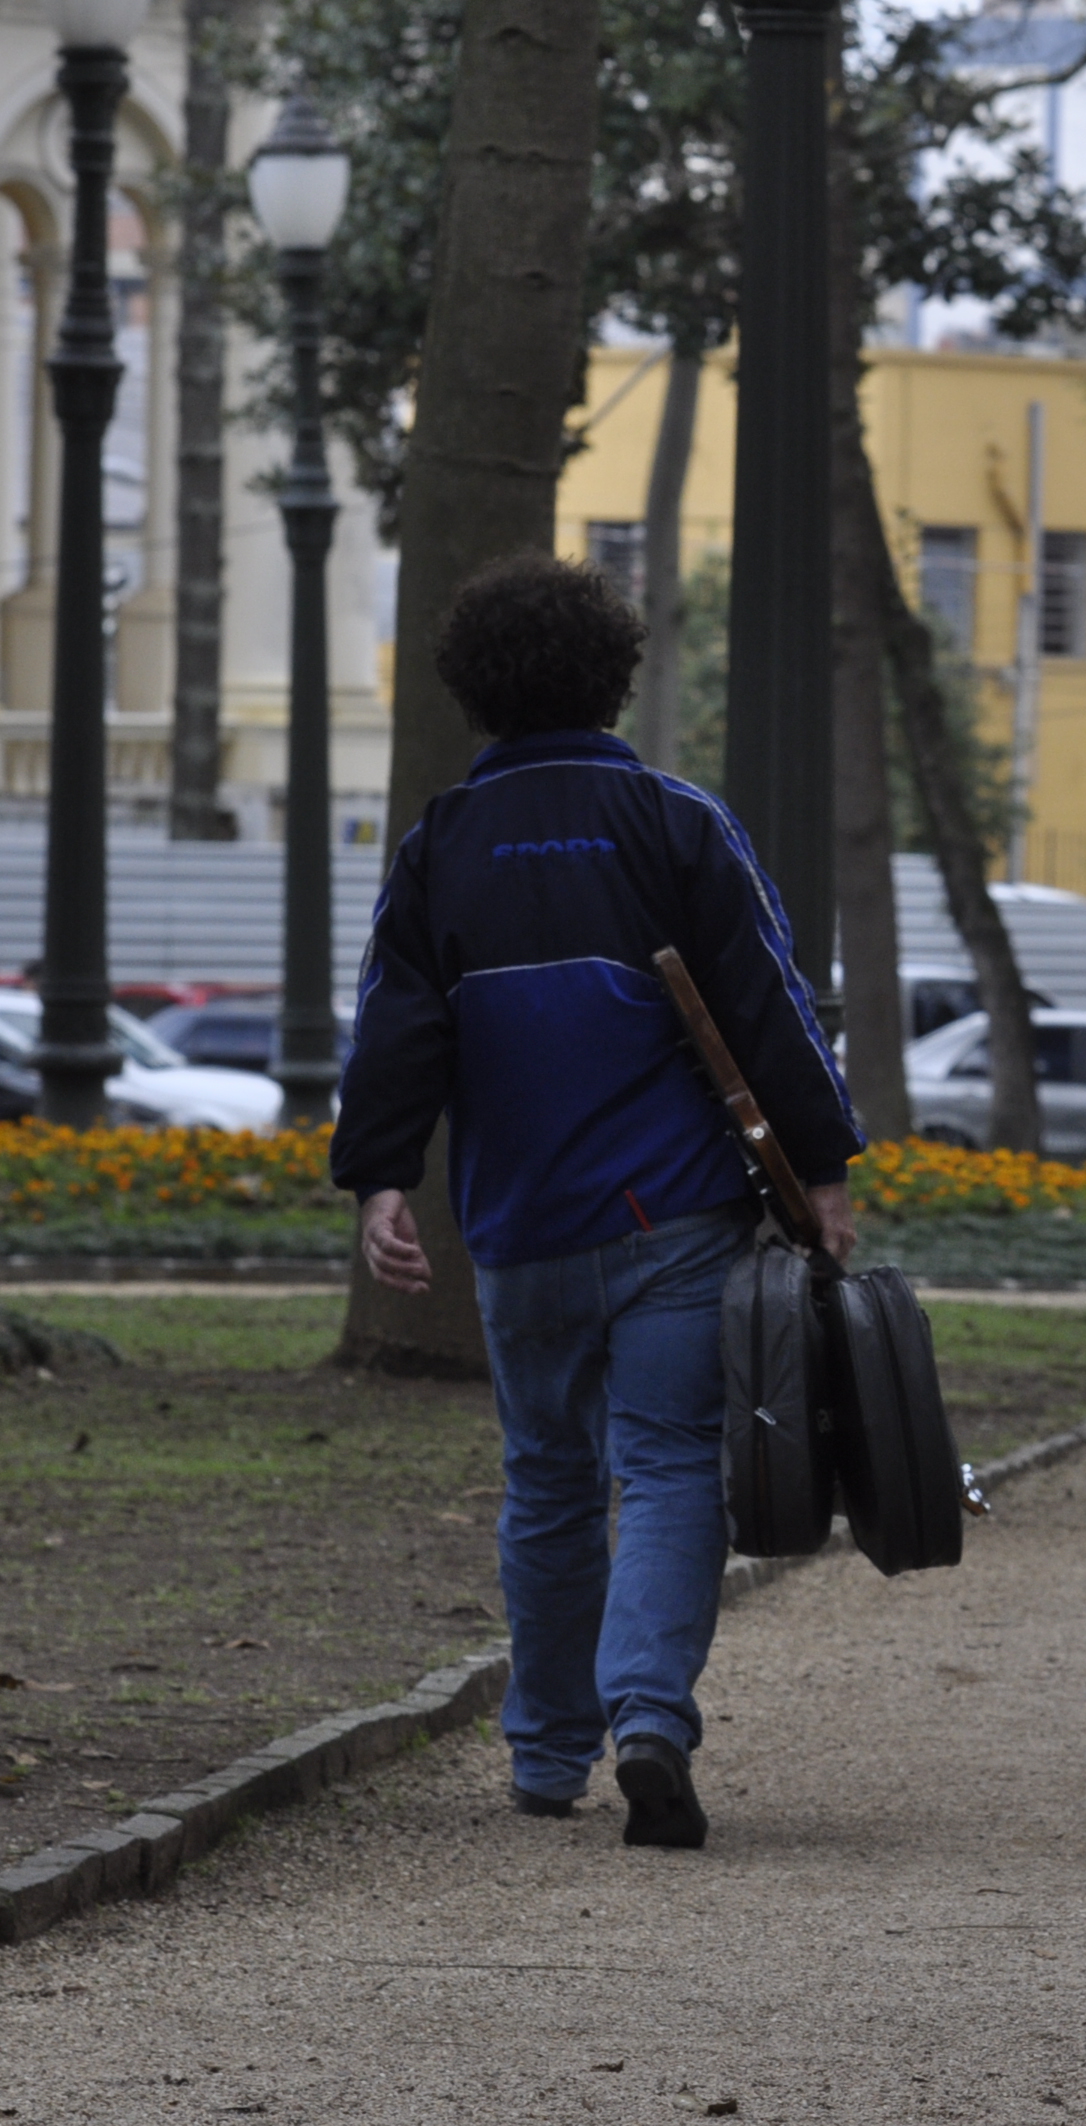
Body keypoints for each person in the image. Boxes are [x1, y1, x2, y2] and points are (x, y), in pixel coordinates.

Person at [331, 555, 862, 1849]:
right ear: (615, 675)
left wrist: (381, 1179)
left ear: (473, 691)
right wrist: (827, 1167)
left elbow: (396, 1028)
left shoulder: (442, 843)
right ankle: (649, 1724)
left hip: (519, 1231)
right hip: (672, 1216)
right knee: (674, 1465)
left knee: (547, 1481)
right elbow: (768, 1006)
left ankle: (545, 1751)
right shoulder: (676, 822)